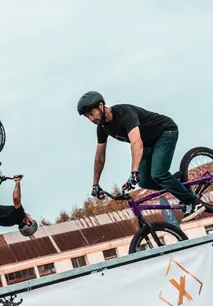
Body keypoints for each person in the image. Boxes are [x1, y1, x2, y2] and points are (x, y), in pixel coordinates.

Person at [77, 91, 205, 222]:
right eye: (87, 117)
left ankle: (194, 202)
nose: (91, 119)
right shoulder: (102, 128)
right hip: (148, 143)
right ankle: (178, 185)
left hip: (165, 132)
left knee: (158, 174)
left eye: (91, 113)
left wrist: (134, 172)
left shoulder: (124, 114)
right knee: (144, 181)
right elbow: (99, 157)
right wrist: (95, 184)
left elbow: (136, 142)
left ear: (101, 106)